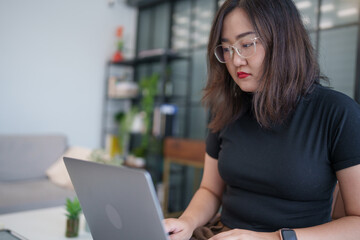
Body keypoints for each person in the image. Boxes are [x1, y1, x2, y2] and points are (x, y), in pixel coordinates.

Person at [163, 0, 360, 239]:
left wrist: (273, 238)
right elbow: (210, 190)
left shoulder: (338, 112)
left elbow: (357, 221)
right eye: (226, 48)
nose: (235, 61)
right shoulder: (227, 109)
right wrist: (186, 223)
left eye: (246, 44)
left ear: (283, 41)